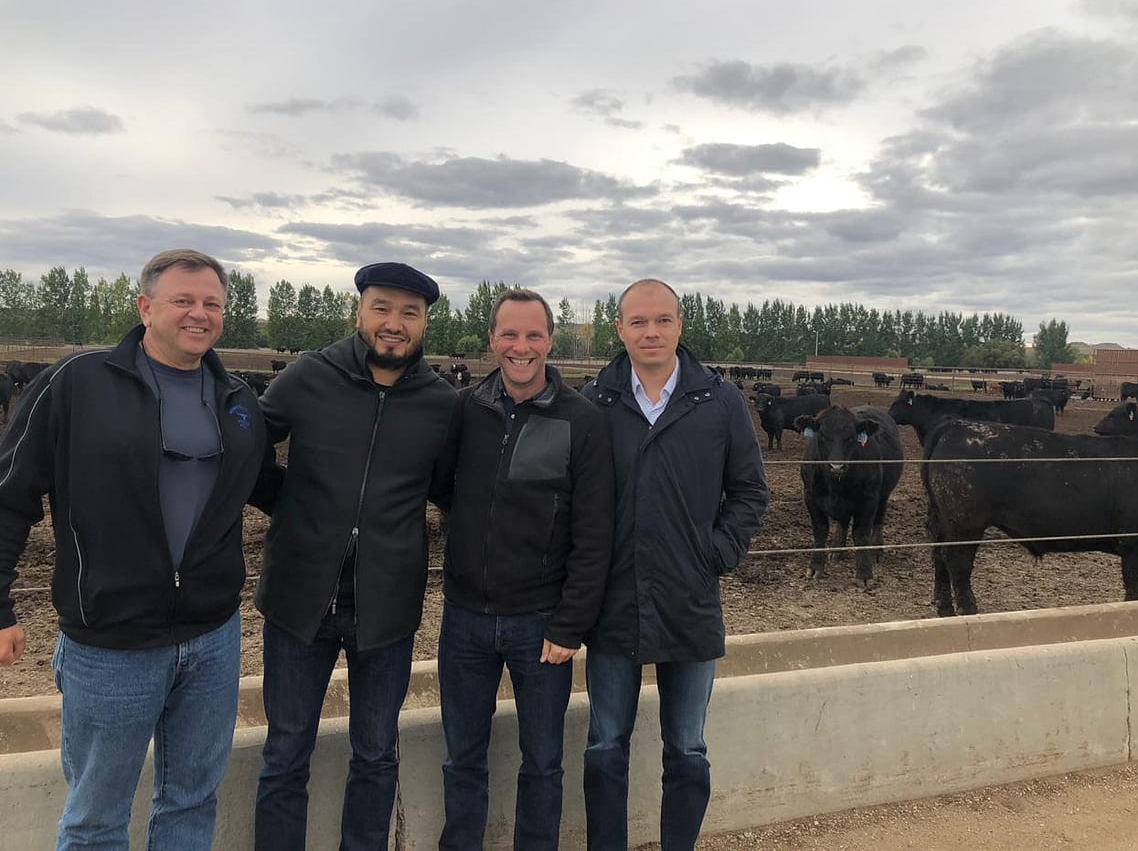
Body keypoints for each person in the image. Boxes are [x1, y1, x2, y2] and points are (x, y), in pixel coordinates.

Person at [0, 249, 267, 850]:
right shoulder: (77, 382)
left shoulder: (238, 400)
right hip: (110, 643)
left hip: (213, 637)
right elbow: (9, 495)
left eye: (212, 304)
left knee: (191, 802)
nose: (199, 314)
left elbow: (271, 491)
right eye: (183, 300)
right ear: (146, 307)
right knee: (96, 817)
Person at [253, 261, 460, 851]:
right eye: (382, 308)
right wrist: (288, 506)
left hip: (387, 606)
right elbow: (246, 450)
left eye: (409, 313)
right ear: (360, 310)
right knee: (286, 748)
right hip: (298, 600)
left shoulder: (441, 403)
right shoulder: (307, 377)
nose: (394, 323)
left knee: (376, 751)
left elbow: (448, 489)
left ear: (424, 324)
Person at [582, 279, 769, 850]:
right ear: (620, 329)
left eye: (662, 320)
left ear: (680, 325)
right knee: (604, 743)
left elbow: (749, 492)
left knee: (687, 747)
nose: (651, 332)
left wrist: (715, 553)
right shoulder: (596, 402)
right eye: (638, 322)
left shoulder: (719, 402)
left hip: (690, 600)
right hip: (613, 600)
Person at [438, 288, 614, 850]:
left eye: (533, 334)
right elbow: (442, 488)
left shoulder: (580, 420)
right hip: (464, 618)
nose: (521, 347)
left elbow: (594, 531)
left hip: (540, 624)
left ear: (550, 341)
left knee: (542, 761)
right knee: (462, 757)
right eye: (509, 334)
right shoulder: (464, 410)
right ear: (491, 339)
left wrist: (570, 624)